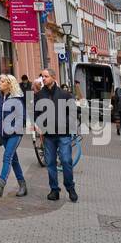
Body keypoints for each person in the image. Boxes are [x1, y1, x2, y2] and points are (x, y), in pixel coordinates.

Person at [34, 68, 78, 202]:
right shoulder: (39, 95)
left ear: (53, 77)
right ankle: (54, 189)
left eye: (46, 76)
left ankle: (70, 187)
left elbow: (73, 112)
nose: (43, 79)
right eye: (42, 77)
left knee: (65, 160)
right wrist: (38, 126)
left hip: (63, 134)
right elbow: (36, 114)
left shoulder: (65, 94)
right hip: (48, 136)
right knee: (50, 162)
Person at [0, 74, 28, 197]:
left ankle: (1, 184)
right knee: (13, 159)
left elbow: (22, 117)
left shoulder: (17, 98)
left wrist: (15, 129)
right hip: (3, 133)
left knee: (7, 157)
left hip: (14, 133)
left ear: (9, 84)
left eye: (2, 81)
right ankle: (23, 185)